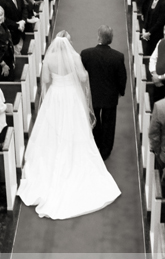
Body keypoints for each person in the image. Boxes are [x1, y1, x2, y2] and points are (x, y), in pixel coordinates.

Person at [17, 32, 122, 219]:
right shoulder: (74, 57)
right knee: (75, 127)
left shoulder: (49, 58)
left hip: (55, 96)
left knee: (53, 128)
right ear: (68, 43)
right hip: (71, 96)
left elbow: (46, 81)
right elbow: (82, 78)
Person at [80, 25, 127, 161]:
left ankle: (96, 142)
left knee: (94, 121)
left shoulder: (86, 54)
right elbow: (122, 77)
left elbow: (82, 74)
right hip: (110, 97)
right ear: (110, 39)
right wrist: (120, 92)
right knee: (109, 123)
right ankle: (106, 150)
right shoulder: (118, 57)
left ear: (98, 37)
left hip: (93, 95)